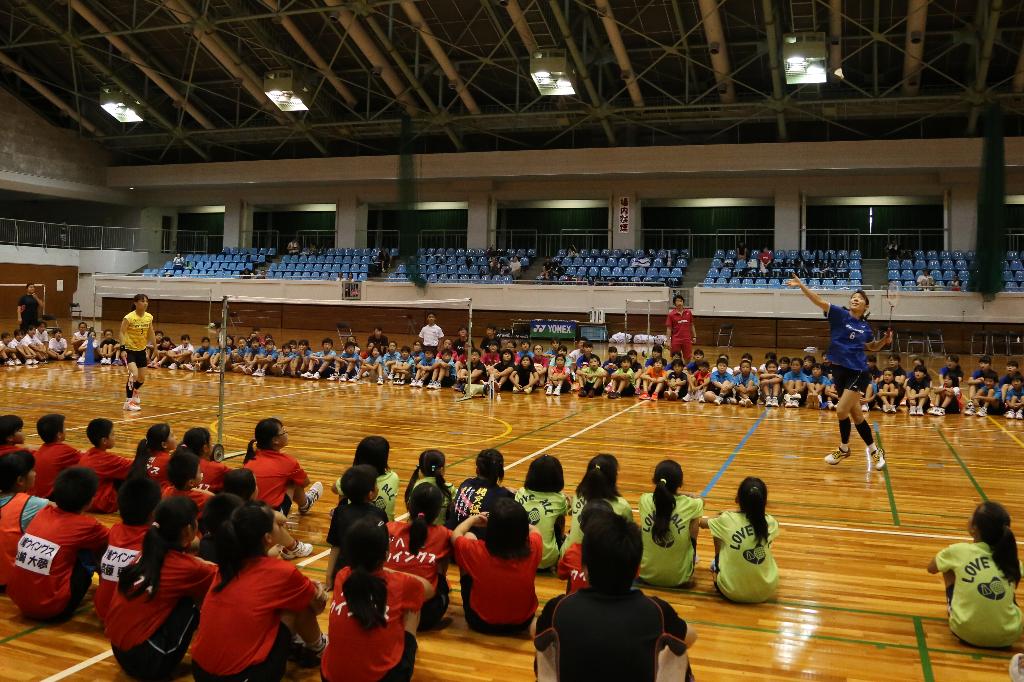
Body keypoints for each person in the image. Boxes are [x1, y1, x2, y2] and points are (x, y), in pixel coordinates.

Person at [535, 508, 696, 682]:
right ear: (637, 570)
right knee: (677, 651)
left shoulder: (558, 607)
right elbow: (690, 636)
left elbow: (535, 632)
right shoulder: (658, 610)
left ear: (584, 568)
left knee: (545, 643)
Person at [191, 502, 328, 678]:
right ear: (267, 538)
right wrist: (317, 591)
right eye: (276, 525)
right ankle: (320, 648)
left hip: (200, 671)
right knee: (297, 603)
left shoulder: (226, 565)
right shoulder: (281, 572)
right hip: (243, 676)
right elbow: (316, 608)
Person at [106, 496, 218, 679]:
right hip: (147, 661)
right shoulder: (189, 569)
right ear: (189, 530)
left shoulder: (146, 554)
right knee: (192, 601)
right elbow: (227, 577)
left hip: (119, 651)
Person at [788, 276, 892, 469]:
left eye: (859, 298)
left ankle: (844, 449)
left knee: (841, 410)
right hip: (838, 371)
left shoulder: (865, 328)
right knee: (857, 416)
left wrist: (883, 342)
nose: (855, 299)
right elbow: (818, 300)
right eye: (853, 297)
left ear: (865, 307)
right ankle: (874, 451)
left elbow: (872, 347)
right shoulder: (838, 314)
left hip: (858, 372)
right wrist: (802, 286)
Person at [322, 517, 430, 682]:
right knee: (412, 608)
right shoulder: (401, 584)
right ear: (386, 554)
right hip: (382, 679)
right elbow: (428, 588)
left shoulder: (342, 576)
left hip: (330, 677)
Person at [7, 467, 109, 620]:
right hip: (53, 610)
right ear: (90, 501)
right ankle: (108, 592)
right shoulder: (87, 525)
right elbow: (112, 542)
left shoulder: (42, 512)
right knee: (89, 551)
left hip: (19, 601)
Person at [927, 501, 1021, 648]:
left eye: (972, 514)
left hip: (965, 632)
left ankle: (962, 614)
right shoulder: (1010, 558)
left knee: (947, 567)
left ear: (974, 529)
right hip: (1008, 636)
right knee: (1009, 578)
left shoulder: (958, 551)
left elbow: (931, 568)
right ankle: (1000, 619)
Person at [453, 498, 543, 634]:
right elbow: (535, 530)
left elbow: (456, 535)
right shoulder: (533, 546)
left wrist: (473, 519)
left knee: (469, 536)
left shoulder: (477, 551)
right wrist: (519, 524)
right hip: (522, 622)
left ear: (491, 528)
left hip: (479, 622)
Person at [94, 477, 163, 622]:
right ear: (153, 512)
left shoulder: (114, 530)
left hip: (103, 612)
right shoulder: (157, 538)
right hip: (131, 620)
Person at [701, 477, 779, 603]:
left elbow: (702, 523)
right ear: (763, 501)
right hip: (767, 589)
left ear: (738, 499)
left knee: (717, 531)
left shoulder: (726, 520)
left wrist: (724, 513)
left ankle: (718, 566)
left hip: (731, 591)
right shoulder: (771, 522)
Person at [385, 484, 452, 630]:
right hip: (424, 616)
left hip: (386, 610)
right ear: (437, 512)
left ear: (408, 506)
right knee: (441, 576)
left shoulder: (389, 527)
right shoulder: (444, 534)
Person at [639, 460, 703, 587]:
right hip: (679, 578)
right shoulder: (692, 504)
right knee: (693, 527)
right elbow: (701, 500)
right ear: (680, 483)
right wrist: (687, 494)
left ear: (655, 480)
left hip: (646, 576)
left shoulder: (644, 499)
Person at [243, 418, 323, 516]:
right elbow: (305, 482)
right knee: (292, 481)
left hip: (248, 511)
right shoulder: (288, 461)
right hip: (271, 516)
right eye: (283, 431)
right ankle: (306, 504)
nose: (286, 433)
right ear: (275, 441)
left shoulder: (250, 457)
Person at [325, 464, 388, 586]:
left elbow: (335, 546)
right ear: (370, 494)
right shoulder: (379, 514)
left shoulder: (339, 512)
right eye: (375, 484)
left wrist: (329, 576)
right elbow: (384, 550)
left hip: (343, 573)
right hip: (372, 573)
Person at [0, 450, 49, 590]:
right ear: (20, 480)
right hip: (9, 580)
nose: (36, 473)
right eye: (32, 470)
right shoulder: (32, 503)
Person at [564, 454, 633, 550]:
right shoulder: (622, 506)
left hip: (568, 556)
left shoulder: (578, 495)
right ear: (612, 478)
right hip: (597, 561)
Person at [514, 455, 569, 571]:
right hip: (547, 560)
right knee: (559, 518)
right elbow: (568, 510)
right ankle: (556, 547)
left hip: (520, 556)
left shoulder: (520, 492)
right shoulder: (559, 499)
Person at [80, 418, 141, 513]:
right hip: (102, 504)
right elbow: (136, 466)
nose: (114, 437)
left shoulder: (87, 455)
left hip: (85, 502)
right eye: (112, 434)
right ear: (104, 440)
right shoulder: (107, 460)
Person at [446, 449, 515, 534]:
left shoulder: (465, 483)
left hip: (450, 535)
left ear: (477, 470)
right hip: (472, 543)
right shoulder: (503, 495)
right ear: (500, 472)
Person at [119, 294, 157, 412]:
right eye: (142, 301)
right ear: (135, 303)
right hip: (130, 350)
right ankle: (128, 402)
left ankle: (135, 391)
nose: (145, 303)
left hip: (141, 350)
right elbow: (122, 333)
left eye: (146, 301)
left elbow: (150, 332)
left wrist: (155, 347)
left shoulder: (149, 317)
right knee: (133, 375)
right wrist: (122, 348)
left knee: (141, 379)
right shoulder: (129, 317)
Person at [405, 449, 454, 525]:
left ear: (420, 470)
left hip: (415, 530)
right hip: (440, 533)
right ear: (441, 470)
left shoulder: (414, 485)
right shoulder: (449, 488)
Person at [665, 294, 697, 363]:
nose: (679, 302)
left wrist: (694, 336)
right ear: (674, 303)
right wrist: (668, 341)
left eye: (681, 301)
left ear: (683, 302)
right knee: (675, 358)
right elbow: (669, 328)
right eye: (677, 301)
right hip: (676, 340)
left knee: (688, 357)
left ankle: (686, 371)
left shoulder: (688, 312)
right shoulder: (671, 314)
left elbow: (692, 325)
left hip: (687, 339)